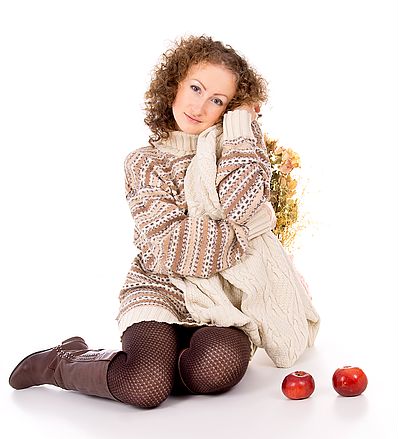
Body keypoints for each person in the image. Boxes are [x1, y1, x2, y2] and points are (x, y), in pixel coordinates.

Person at [8, 34, 284, 409]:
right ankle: (64, 361)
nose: (200, 106)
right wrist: (246, 232)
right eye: (196, 88)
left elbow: (238, 203)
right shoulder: (143, 163)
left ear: (230, 110)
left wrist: (242, 128)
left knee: (214, 370)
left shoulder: (239, 150)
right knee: (144, 386)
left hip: (221, 300)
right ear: (174, 85)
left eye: (218, 101)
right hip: (159, 288)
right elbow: (173, 248)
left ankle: (165, 359)